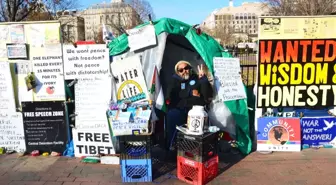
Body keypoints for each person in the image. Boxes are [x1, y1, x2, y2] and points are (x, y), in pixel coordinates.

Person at [164, 60, 213, 151]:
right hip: (179, 108)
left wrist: (203, 80)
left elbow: (206, 95)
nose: (184, 71)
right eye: (181, 70)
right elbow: (170, 95)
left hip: (194, 109)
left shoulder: (197, 79)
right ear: (177, 72)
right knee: (172, 114)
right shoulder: (174, 81)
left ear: (190, 69)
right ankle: (172, 147)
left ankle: (194, 149)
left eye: (186, 68)